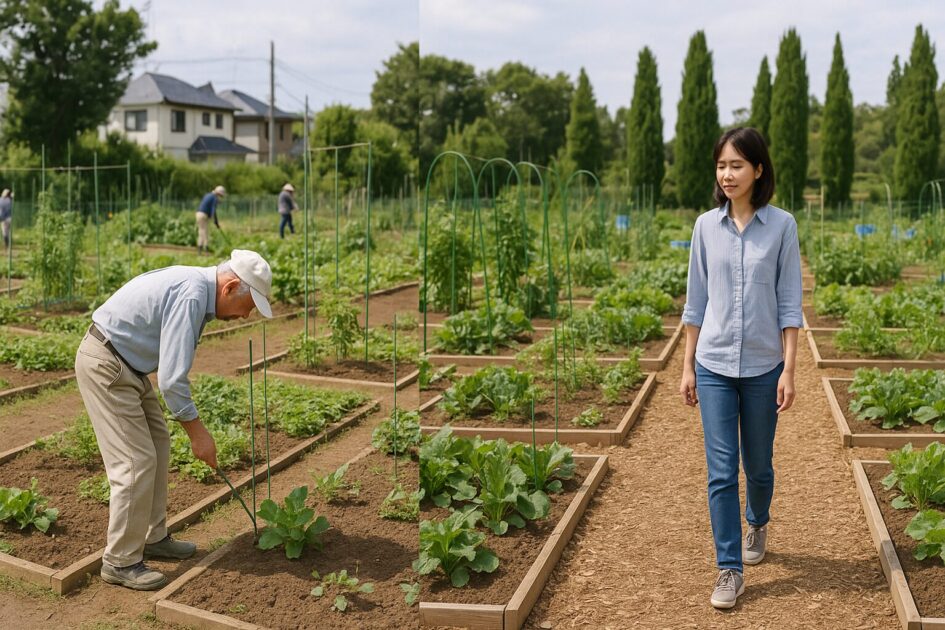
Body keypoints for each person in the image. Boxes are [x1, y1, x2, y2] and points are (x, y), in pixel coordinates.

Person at [74, 249, 274, 590]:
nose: (245, 315)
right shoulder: (193, 293)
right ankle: (120, 562)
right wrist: (198, 433)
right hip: (107, 364)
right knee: (135, 462)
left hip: (129, 368)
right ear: (229, 288)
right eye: (249, 305)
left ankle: (152, 537)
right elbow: (171, 380)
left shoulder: (196, 287)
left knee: (157, 444)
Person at [678, 127, 802, 610]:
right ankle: (729, 568)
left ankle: (758, 519)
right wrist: (687, 366)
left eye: (736, 165)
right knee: (721, 471)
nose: (727, 174)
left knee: (759, 465)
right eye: (721, 166)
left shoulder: (783, 226)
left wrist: (788, 371)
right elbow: (695, 302)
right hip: (712, 364)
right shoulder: (705, 227)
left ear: (758, 170)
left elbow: (790, 304)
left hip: (762, 368)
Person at [196, 185, 225, 254]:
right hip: (203, 215)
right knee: (205, 232)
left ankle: (199, 250)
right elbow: (213, 211)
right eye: (220, 196)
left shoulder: (208, 195)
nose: (220, 197)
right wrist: (216, 222)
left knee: (201, 231)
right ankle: (206, 250)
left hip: (198, 214)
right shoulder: (214, 198)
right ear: (218, 193)